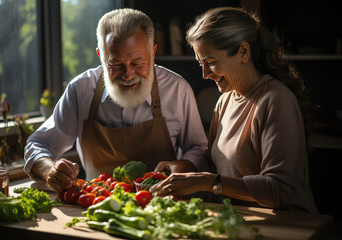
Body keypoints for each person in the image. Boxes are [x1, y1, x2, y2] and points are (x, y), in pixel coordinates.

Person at [151, 7, 318, 213]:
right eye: (200, 64)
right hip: (241, 222)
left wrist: (208, 181)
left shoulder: (276, 100)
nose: (204, 74)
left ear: (243, 52)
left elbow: (279, 190)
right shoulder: (224, 101)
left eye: (210, 62)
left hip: (288, 226)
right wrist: (185, 168)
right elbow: (217, 168)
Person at [24, 8, 208, 192]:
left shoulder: (177, 90)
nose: (128, 75)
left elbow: (198, 148)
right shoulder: (80, 89)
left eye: (137, 63)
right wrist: (49, 169)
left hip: (163, 204)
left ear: (153, 52)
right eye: (115, 64)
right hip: (97, 203)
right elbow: (38, 144)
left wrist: (184, 165)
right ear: (100, 57)